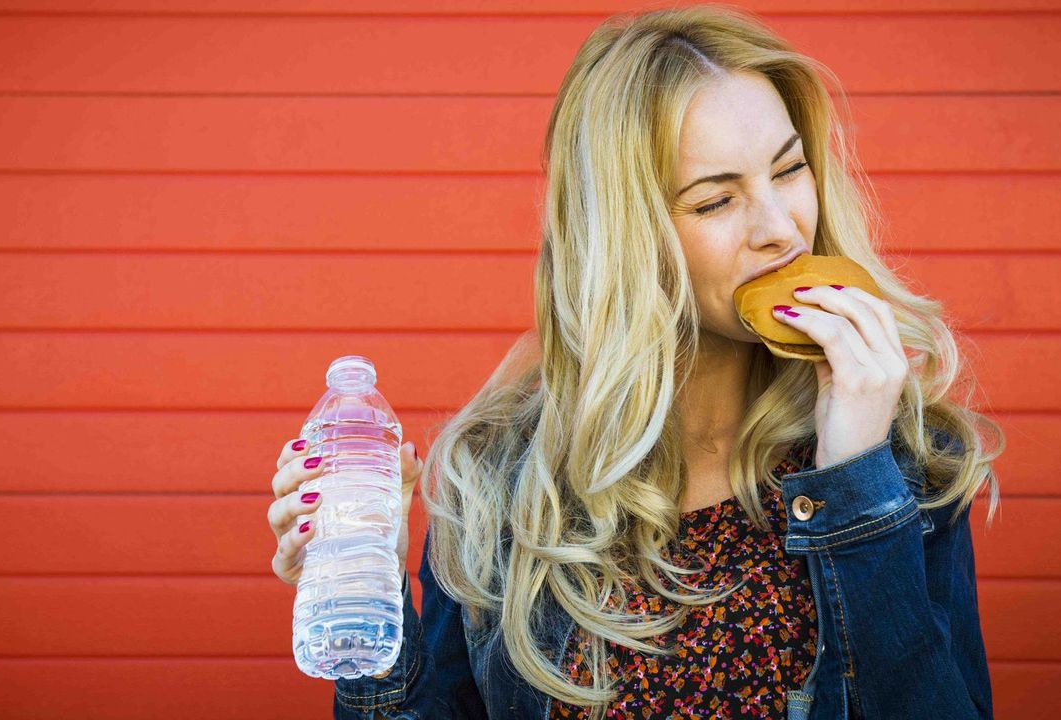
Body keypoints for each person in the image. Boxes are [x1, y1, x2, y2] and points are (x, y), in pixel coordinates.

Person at [269, 5, 1004, 719]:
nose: (781, 231)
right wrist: (367, 608)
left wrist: (855, 486)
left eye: (789, 171)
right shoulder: (494, 484)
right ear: (626, 239)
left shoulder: (902, 456)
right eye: (716, 201)